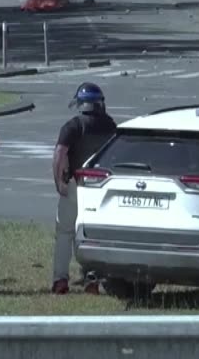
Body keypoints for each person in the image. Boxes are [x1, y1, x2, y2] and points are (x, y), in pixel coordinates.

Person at [51, 83, 117, 294]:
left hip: (75, 184)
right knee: (92, 235)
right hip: (100, 188)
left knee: (65, 232)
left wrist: (58, 181)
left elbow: (59, 155)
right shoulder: (110, 125)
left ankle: (60, 279)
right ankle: (92, 279)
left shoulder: (73, 126)